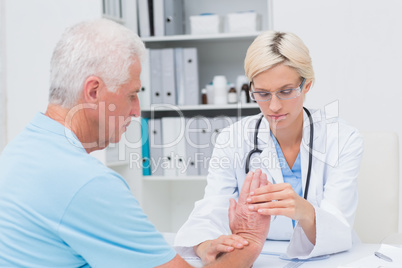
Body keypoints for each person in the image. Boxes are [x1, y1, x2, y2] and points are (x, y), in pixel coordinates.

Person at [0, 19, 271, 267]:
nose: (137, 111)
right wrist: (250, 240)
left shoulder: (19, 151)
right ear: (93, 91)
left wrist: (196, 247)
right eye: (132, 94)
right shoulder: (89, 183)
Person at [174, 30, 364, 264]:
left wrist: (304, 211)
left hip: (326, 257)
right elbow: (211, 208)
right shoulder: (232, 138)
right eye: (262, 94)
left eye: (285, 92)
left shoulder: (342, 138)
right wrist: (206, 246)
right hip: (258, 256)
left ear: (307, 86)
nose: (274, 106)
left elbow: (339, 224)